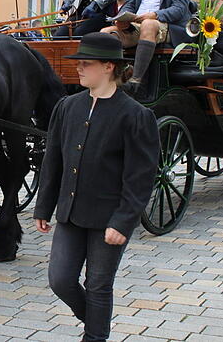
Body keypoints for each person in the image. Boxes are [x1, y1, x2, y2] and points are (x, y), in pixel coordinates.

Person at [33, 32, 158, 342]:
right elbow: (53, 161)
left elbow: (140, 177)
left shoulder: (135, 116)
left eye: (85, 63)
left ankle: (94, 336)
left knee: (99, 284)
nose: (78, 68)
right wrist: (44, 206)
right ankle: (96, 323)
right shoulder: (67, 106)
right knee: (60, 279)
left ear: (108, 67)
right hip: (71, 213)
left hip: (108, 219)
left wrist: (123, 222)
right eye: (79, 62)